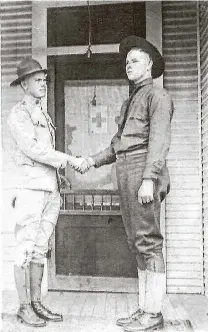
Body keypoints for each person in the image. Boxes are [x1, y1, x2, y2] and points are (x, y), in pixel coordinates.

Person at [78, 36, 174, 331]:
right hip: (126, 169)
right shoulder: (130, 99)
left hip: (142, 168)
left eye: (134, 61)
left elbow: (158, 141)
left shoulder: (157, 96)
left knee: (148, 242)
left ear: (149, 65)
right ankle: (145, 308)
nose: (128, 65)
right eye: (126, 61)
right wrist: (90, 161)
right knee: (136, 243)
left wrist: (148, 179)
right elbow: (117, 145)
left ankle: (154, 314)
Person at [8, 58, 84, 327]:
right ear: (24, 84)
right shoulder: (19, 114)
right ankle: (24, 306)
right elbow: (33, 150)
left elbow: (45, 157)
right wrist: (69, 160)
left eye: (44, 80)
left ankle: (37, 303)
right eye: (37, 80)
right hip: (30, 190)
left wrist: (60, 174)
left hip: (50, 190)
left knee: (40, 249)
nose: (43, 83)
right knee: (25, 250)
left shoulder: (43, 113)